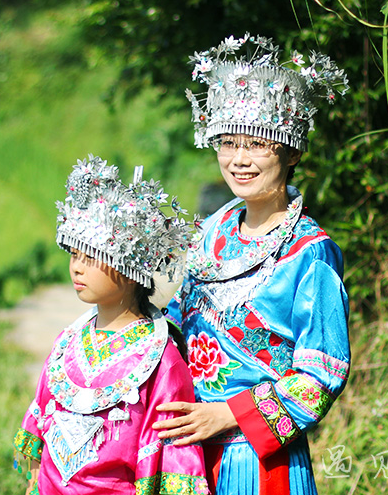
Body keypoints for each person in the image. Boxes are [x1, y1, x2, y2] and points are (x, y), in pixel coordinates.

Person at [152, 34, 352, 495]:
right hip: (187, 451)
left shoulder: (309, 253)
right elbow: (177, 329)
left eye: (258, 145)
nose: (239, 160)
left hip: (258, 460)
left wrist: (226, 415)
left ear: (292, 152)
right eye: (228, 143)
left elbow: (323, 372)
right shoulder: (210, 233)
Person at [13, 155, 210, 495]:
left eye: (91, 257)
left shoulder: (163, 362)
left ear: (130, 270)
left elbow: (171, 459)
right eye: (75, 255)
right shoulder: (67, 343)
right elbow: (39, 429)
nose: (77, 268)